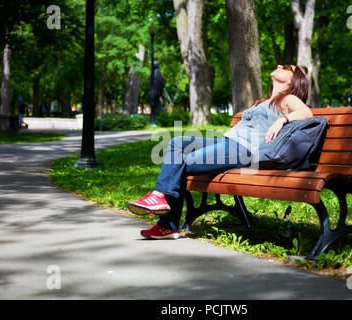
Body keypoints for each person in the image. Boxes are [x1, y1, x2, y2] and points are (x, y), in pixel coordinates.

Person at [127, 64, 313, 239]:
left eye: (287, 67)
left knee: (180, 163)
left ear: (292, 81)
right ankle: (161, 202)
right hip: (228, 143)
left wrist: (282, 120)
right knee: (177, 143)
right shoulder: (264, 101)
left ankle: (167, 222)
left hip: (243, 150)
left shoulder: (289, 99)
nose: (280, 66)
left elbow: (307, 113)